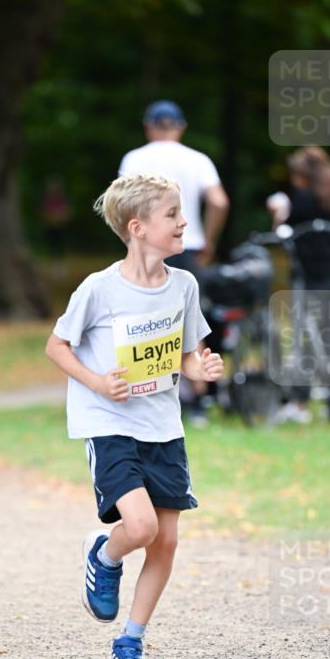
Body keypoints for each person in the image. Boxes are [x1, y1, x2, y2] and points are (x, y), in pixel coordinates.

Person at [45, 173, 223, 659]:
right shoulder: (100, 289)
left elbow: (185, 357)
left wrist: (201, 369)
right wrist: (98, 383)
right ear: (138, 227)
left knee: (165, 542)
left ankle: (130, 641)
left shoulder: (184, 285)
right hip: (109, 424)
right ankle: (105, 554)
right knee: (141, 528)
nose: (184, 222)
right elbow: (56, 347)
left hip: (163, 427)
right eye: (173, 214)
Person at [119, 101, 229, 425]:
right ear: (181, 127)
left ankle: (147, 397)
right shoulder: (197, 159)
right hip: (186, 246)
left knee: (144, 322)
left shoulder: (135, 159)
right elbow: (219, 201)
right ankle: (198, 400)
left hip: (147, 248)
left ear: (148, 126)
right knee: (189, 323)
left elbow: (122, 204)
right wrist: (208, 239)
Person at [267, 146, 330, 423]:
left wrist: (279, 213)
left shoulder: (303, 200)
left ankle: (300, 400)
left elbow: (283, 233)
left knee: (304, 338)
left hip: (311, 278)